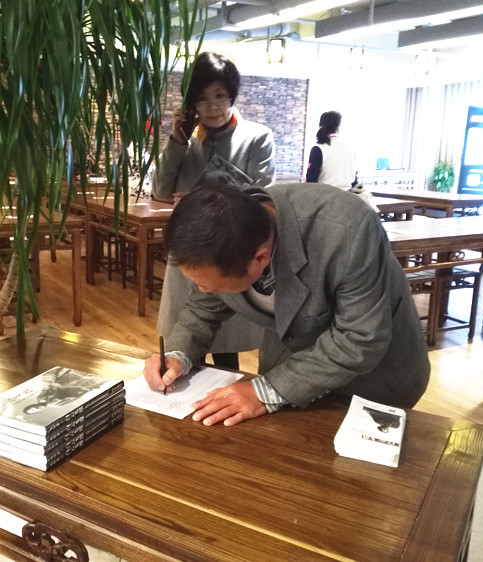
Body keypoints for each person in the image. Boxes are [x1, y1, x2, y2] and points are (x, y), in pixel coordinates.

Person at [143, 183, 430, 427]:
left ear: (260, 258)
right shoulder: (220, 237)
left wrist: (264, 391)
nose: (203, 291)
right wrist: (178, 356)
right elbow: (202, 309)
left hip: (374, 379)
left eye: (213, 287)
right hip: (288, 368)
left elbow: (359, 338)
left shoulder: (347, 230)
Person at [152, 51, 276, 370]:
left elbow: (265, 197)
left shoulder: (257, 137)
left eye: (220, 96)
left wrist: (201, 201)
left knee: (225, 349)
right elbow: (161, 191)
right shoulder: (188, 142)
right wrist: (177, 141)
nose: (213, 106)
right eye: (203, 99)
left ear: (232, 96)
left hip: (230, 252)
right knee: (185, 340)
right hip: (189, 253)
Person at [306, 110, 358, 190]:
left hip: (325, 195)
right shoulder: (350, 148)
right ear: (339, 126)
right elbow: (355, 180)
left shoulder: (318, 148)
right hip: (348, 194)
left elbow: (311, 179)